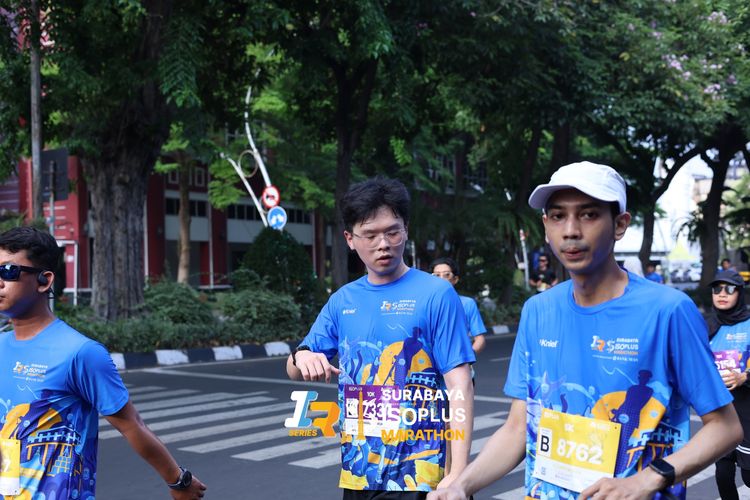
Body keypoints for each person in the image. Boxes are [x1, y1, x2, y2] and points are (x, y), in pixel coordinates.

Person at [427, 161, 742, 500]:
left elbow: (726, 427)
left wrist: (645, 481)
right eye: (558, 216)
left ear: (620, 224)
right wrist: (460, 485)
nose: (571, 230)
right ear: (545, 226)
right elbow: (518, 427)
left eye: (589, 215)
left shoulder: (669, 311)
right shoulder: (537, 310)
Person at [286, 177, 476, 499]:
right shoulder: (342, 301)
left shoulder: (437, 294)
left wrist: (457, 475)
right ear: (350, 239)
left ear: (406, 230)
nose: (383, 243)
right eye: (370, 235)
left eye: (392, 231)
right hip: (358, 475)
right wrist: (302, 355)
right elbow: (293, 369)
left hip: (419, 477)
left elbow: (460, 384)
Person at [0, 226, 206, 499]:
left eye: (8, 271)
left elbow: (131, 424)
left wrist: (178, 481)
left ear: (44, 280)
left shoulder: (80, 353)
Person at [707, 270, 750, 500]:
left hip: (746, 409)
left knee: (748, 476)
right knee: (723, 473)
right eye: (717, 289)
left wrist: (745, 377)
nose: (722, 294)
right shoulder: (706, 326)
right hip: (719, 409)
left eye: (729, 289)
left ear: (740, 293)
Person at [429, 257, 488, 364]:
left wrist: (467, 359)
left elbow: (480, 339)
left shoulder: (467, 303)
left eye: (446, 275)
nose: (441, 279)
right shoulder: (426, 305)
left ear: (455, 279)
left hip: (460, 366)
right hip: (431, 367)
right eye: (436, 275)